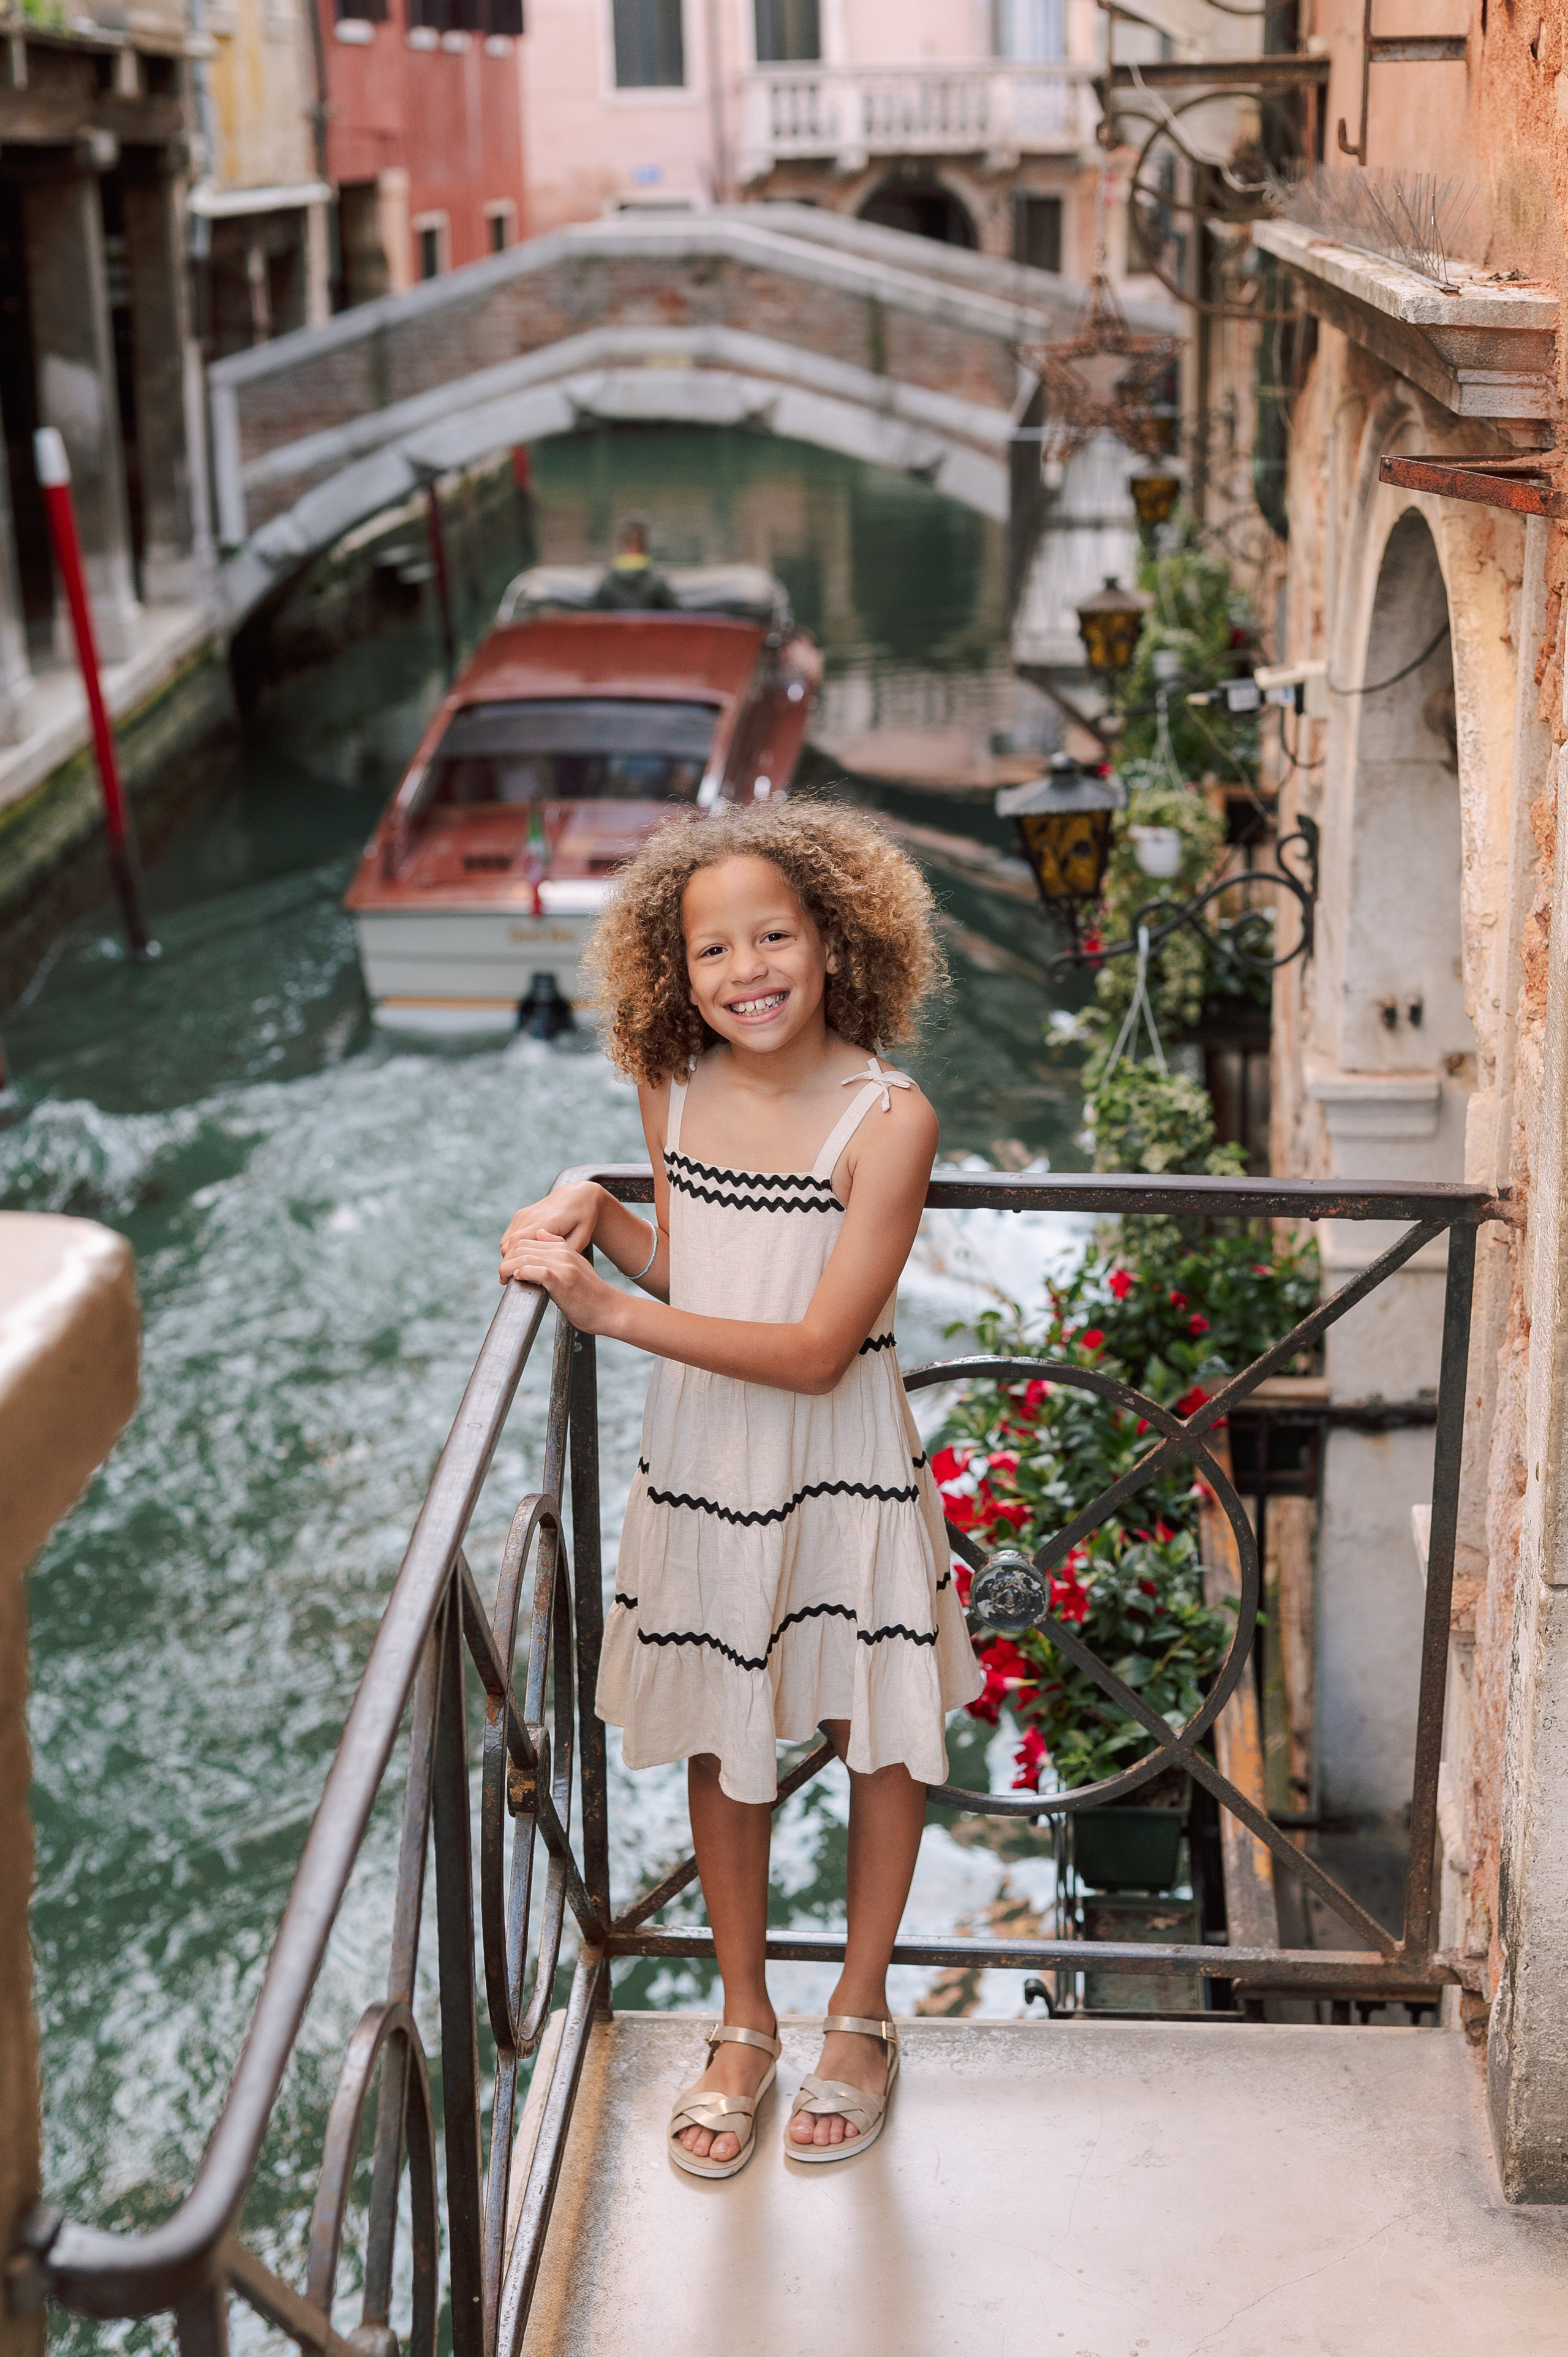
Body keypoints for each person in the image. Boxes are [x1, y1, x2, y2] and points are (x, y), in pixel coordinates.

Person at [499, 801, 981, 2180]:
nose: (745, 970)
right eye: (713, 949)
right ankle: (745, 2020)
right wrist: (596, 1214)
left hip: (844, 1464)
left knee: (875, 1727)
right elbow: (694, 1265)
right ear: (678, 967)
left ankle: (860, 2015)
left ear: (833, 942)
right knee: (725, 1733)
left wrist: (605, 1309)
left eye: (773, 937)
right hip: (706, 1466)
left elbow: (819, 1346)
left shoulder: (888, 1119)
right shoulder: (669, 1081)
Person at [592, 515, 677, 610]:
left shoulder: (607, 581)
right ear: (646, 544)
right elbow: (676, 611)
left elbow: (593, 611)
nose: (633, 547)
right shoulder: (658, 580)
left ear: (621, 544)